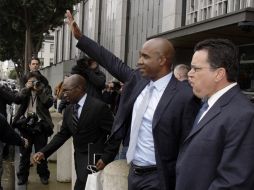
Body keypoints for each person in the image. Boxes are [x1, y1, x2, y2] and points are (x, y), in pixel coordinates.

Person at [66, 10, 200, 190]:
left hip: (160, 178)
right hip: (133, 173)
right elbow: (110, 61)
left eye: (145, 57)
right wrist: (81, 38)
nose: (139, 62)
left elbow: (189, 147)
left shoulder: (185, 95)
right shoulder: (137, 80)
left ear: (162, 60)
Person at [175, 39, 254, 190]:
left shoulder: (244, 115)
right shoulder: (207, 105)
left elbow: (234, 182)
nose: (190, 74)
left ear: (219, 74)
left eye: (196, 69)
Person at [32, 74, 115, 190]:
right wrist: (44, 152)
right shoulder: (69, 110)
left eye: (66, 90)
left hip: (94, 158)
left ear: (79, 88)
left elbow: (114, 134)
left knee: (85, 185)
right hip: (79, 157)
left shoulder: (99, 107)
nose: (64, 94)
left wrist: (106, 157)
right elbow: (62, 135)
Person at [12, 71, 54, 185]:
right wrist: (26, 88)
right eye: (31, 81)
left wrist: (39, 91)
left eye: (35, 81)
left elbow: (49, 103)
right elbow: (16, 100)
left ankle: (43, 175)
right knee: (24, 152)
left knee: (41, 151)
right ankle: (22, 176)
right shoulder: (25, 89)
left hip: (41, 125)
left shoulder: (44, 88)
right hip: (25, 124)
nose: (34, 83)